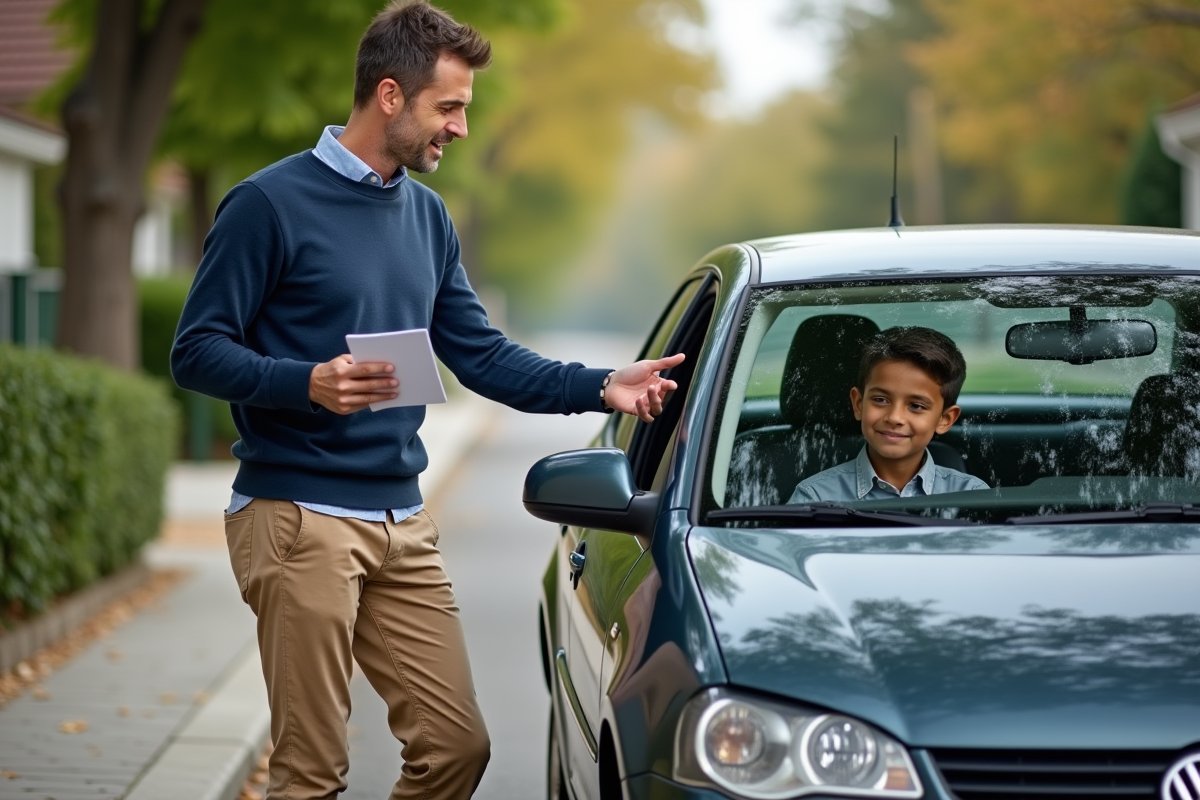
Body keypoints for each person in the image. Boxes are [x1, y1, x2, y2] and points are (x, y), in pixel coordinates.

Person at [170, 2, 681, 797]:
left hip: (400, 522)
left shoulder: (427, 215)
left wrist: (599, 386)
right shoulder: (266, 205)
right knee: (310, 774)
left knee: (455, 748)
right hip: (297, 517)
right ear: (387, 95)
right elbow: (195, 350)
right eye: (449, 108)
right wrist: (305, 382)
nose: (461, 129)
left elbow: (479, 354)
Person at [788, 326, 987, 503]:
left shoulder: (971, 495)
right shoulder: (815, 497)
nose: (894, 417)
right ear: (858, 404)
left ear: (945, 419)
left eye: (916, 406)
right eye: (881, 400)